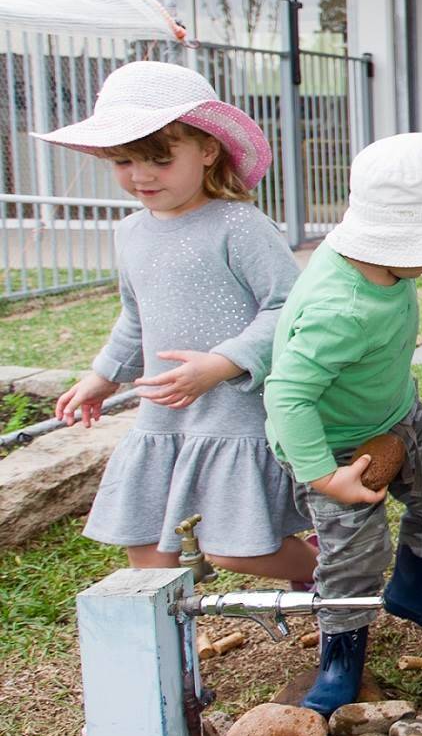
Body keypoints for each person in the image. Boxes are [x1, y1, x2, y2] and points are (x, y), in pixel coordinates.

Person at [41, 61, 314, 583]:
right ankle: (167, 657)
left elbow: (290, 307)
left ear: (207, 150)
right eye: (122, 162)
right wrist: (103, 375)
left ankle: (337, 577)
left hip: (232, 414)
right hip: (164, 419)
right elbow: (136, 316)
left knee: (239, 548)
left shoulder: (239, 225)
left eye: (159, 161)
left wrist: (221, 363)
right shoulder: (130, 233)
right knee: (148, 549)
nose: (140, 176)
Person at [264, 133, 422, 713]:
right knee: (352, 556)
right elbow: (287, 394)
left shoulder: (384, 267)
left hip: (399, 412)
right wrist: (324, 477)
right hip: (335, 445)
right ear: (398, 239)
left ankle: (416, 586)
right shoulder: (339, 309)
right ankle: (340, 656)